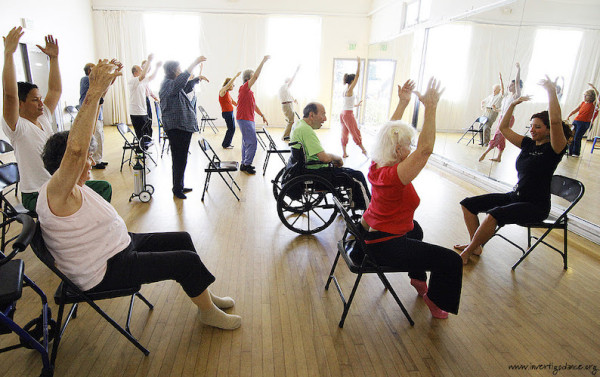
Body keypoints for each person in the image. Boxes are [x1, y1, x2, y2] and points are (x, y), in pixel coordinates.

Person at [37, 59, 241, 330]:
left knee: (182, 238)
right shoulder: (56, 192)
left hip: (118, 246)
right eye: (85, 158)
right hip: (104, 269)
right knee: (186, 260)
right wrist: (94, 92)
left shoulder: (70, 188)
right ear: (66, 165)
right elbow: (75, 152)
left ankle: (204, 294)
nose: (89, 162)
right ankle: (207, 312)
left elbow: (76, 154)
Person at [456, 75, 573, 265]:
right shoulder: (528, 144)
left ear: (548, 130)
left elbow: (555, 121)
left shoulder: (555, 149)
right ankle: (476, 245)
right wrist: (513, 104)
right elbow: (503, 127)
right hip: (515, 196)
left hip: (536, 206)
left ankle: (469, 252)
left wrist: (551, 92)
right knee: (468, 204)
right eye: (531, 126)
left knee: (494, 214)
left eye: (537, 127)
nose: (532, 130)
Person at [2, 27, 111, 212]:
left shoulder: (43, 116)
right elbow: (9, 95)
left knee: (102, 188)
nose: (40, 103)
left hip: (58, 185)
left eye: (40, 99)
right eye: (35, 100)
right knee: (88, 198)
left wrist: (53, 59)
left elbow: (55, 91)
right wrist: (8, 54)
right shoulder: (16, 126)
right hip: (36, 193)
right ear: (20, 104)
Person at [290, 102, 370, 211]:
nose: (325, 118)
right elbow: (324, 158)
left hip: (304, 168)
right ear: (312, 115)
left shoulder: (298, 124)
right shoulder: (306, 131)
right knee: (357, 176)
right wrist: (337, 158)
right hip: (315, 172)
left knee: (346, 172)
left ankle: (353, 202)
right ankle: (368, 211)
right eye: (323, 114)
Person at [159, 56, 208, 199]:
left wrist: (196, 80)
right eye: (179, 69)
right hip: (176, 127)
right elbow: (179, 85)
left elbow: (184, 87)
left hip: (182, 127)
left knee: (182, 158)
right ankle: (177, 189)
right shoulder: (167, 84)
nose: (180, 71)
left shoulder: (172, 84)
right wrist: (194, 64)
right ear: (173, 70)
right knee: (179, 159)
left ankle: (179, 186)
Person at [479, 63, 523, 162]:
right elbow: (503, 110)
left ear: (516, 87)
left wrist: (518, 70)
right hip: (502, 117)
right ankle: (499, 157)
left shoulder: (515, 96)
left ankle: (485, 153)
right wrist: (496, 109)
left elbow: (517, 83)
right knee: (502, 137)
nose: (510, 86)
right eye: (510, 85)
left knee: (498, 136)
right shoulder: (507, 97)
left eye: (512, 85)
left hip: (508, 119)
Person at [237, 56, 270, 175]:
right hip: (244, 119)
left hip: (247, 119)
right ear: (248, 78)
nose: (255, 77)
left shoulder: (248, 92)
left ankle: (244, 163)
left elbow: (254, 105)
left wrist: (262, 115)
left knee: (246, 142)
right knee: (252, 142)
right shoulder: (244, 88)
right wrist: (263, 61)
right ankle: (247, 164)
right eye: (252, 76)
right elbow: (256, 76)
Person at [128, 54, 162, 147]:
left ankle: (143, 150)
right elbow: (143, 76)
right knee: (140, 134)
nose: (143, 71)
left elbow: (151, 77)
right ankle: (140, 153)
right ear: (135, 72)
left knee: (145, 133)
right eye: (141, 70)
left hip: (143, 111)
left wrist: (157, 68)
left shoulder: (142, 81)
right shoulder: (132, 81)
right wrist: (149, 61)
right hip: (136, 112)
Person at [79, 62, 107, 169]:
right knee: (96, 136)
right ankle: (95, 160)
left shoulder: (93, 81)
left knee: (100, 136)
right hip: (90, 113)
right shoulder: (86, 79)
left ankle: (98, 159)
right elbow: (102, 86)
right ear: (89, 71)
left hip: (97, 113)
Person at [340, 56, 367, 157]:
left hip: (343, 113)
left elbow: (347, 103)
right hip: (348, 115)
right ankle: (363, 150)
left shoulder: (346, 90)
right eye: (354, 80)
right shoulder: (350, 89)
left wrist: (356, 105)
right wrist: (359, 63)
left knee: (345, 133)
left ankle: (344, 153)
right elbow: (358, 75)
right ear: (352, 81)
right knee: (355, 132)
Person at [566, 83, 598, 157]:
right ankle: (570, 151)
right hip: (576, 121)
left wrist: (594, 88)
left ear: (591, 97)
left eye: (586, 95)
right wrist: (569, 115)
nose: (584, 96)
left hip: (584, 123)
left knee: (577, 137)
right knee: (571, 136)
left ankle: (576, 153)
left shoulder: (594, 104)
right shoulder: (583, 103)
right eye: (584, 95)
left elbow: (598, 96)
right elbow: (575, 110)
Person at [219, 72, 240, 149]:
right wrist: (236, 76)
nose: (233, 86)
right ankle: (225, 144)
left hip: (230, 113)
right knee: (231, 128)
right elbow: (227, 85)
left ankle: (227, 143)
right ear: (229, 84)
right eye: (233, 85)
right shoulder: (222, 91)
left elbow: (233, 102)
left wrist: (240, 106)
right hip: (227, 113)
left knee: (232, 128)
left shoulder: (227, 93)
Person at [279, 65, 300, 141]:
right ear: (287, 81)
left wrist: (294, 100)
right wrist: (296, 71)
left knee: (290, 121)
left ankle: (287, 135)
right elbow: (292, 80)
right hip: (287, 105)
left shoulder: (285, 89)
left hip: (288, 104)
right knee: (291, 121)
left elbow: (289, 96)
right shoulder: (284, 86)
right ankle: (285, 136)